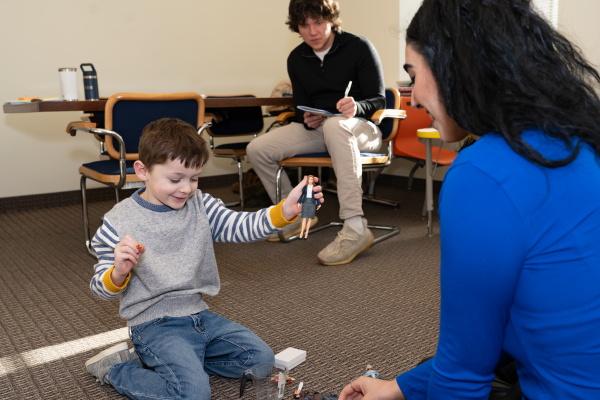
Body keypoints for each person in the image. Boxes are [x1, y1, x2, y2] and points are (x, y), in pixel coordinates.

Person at [339, 0, 600, 399]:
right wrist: (399, 388)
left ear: (451, 67)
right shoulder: (577, 141)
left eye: (413, 75)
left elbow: (463, 374)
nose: (410, 99)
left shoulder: (481, 173)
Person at [84, 118, 323, 400]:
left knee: (261, 359)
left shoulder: (201, 204)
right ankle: (117, 369)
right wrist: (118, 273)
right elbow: (99, 287)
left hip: (200, 317)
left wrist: (285, 210)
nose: (185, 189)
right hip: (154, 325)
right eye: (175, 179)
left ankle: (169, 361)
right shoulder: (118, 221)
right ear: (142, 171)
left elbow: (241, 226)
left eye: (194, 178)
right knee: (194, 395)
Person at [247, 0, 386, 265]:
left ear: (332, 20)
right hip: (323, 128)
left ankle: (355, 226)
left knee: (336, 125)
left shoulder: (359, 47)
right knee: (257, 149)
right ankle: (296, 213)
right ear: (296, 27)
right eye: (305, 25)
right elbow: (300, 106)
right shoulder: (297, 58)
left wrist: (356, 106)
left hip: (362, 128)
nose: (313, 31)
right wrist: (307, 117)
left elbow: (379, 101)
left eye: (319, 22)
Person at [298, 174, 322, 239]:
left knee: (310, 219)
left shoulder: (314, 187)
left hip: (312, 203)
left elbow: (317, 196)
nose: (310, 180)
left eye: (312, 179)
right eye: (309, 179)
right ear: (307, 180)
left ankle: (306, 233)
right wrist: (299, 202)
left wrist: (319, 204)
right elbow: (302, 194)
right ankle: (301, 232)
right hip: (305, 202)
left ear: (313, 180)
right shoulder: (305, 187)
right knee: (304, 218)